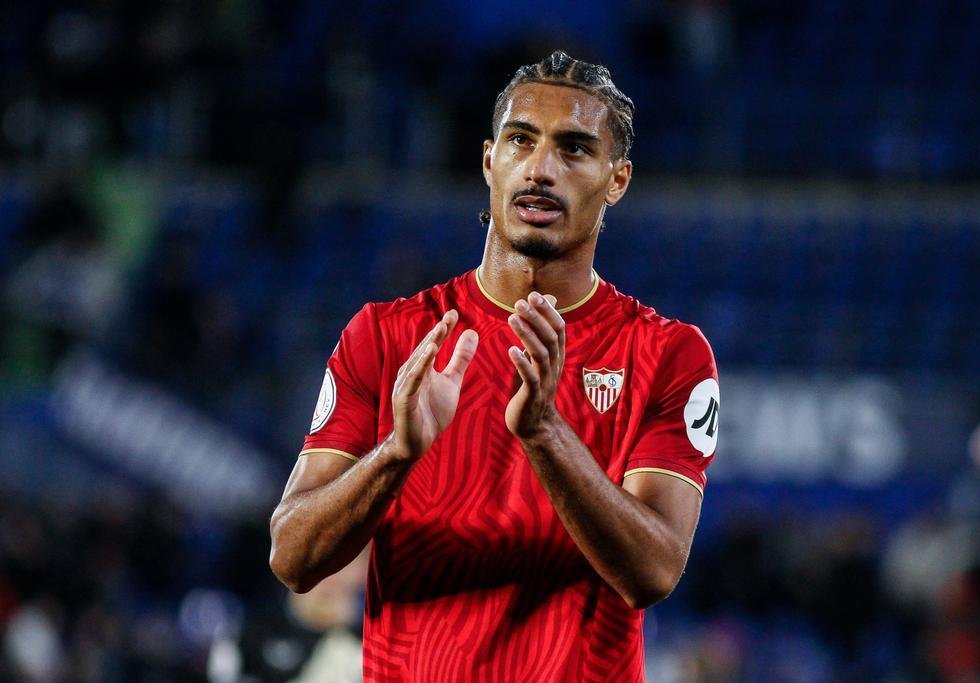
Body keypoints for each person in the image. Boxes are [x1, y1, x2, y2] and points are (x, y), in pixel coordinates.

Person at [269, 50, 720, 682]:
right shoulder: (386, 335)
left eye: (574, 150)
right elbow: (292, 555)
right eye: (521, 141)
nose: (540, 169)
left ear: (616, 180)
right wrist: (396, 454)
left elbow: (654, 571)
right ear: (490, 161)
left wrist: (545, 432)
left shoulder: (669, 354)